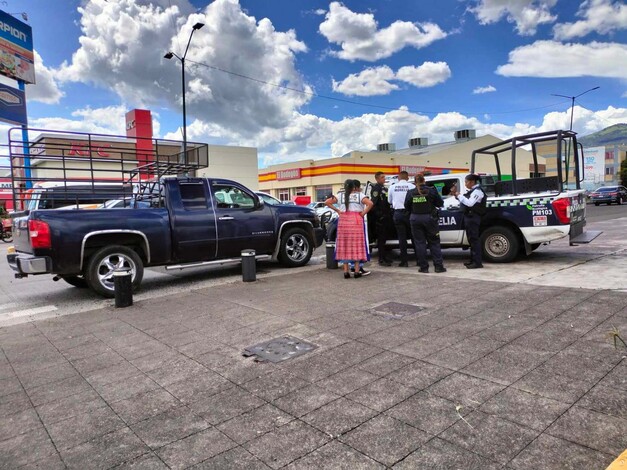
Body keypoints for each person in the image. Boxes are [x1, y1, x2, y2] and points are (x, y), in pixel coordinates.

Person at [325, 179, 373, 279]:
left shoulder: (340, 195)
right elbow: (370, 204)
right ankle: (356, 271)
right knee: (356, 245)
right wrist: (363, 213)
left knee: (344, 245)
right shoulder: (359, 195)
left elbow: (327, 202)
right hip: (356, 221)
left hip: (343, 221)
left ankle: (346, 272)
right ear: (354, 187)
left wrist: (338, 210)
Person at [404, 174, 446, 273]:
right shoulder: (431, 190)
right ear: (424, 180)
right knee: (434, 242)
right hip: (429, 218)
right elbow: (440, 203)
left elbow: (406, 206)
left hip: (415, 219)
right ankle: (438, 267)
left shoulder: (411, 192)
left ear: (415, 182)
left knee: (419, 244)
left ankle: (423, 267)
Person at [450, 174, 487, 269]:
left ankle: (477, 262)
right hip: (469, 217)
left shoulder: (478, 191)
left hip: (473, 218)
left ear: (472, 182)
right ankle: (473, 260)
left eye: (466, 182)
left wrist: (459, 195)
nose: (465, 184)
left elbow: (470, 203)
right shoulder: (472, 191)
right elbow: (465, 201)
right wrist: (456, 194)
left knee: (474, 240)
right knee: (471, 240)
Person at [388, 171, 415, 267]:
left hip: (398, 213)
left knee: (402, 238)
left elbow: (389, 201)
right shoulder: (412, 186)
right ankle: (419, 260)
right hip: (409, 213)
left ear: (398, 178)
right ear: (407, 178)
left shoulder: (392, 187)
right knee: (414, 236)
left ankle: (404, 261)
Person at [369, 171, 392, 266]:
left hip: (386, 216)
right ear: (377, 179)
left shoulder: (384, 189)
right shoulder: (376, 189)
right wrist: (379, 216)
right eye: (382, 177)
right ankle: (381, 259)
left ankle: (385, 257)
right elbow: (373, 204)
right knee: (381, 240)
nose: (384, 179)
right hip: (380, 218)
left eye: (384, 177)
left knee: (385, 239)